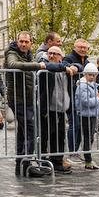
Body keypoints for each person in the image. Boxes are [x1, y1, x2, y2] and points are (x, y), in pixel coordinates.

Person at [4, 31, 49, 177]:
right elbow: (12, 64)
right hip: (18, 99)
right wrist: (37, 65)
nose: (23, 44)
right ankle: (27, 163)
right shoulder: (11, 52)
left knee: (23, 133)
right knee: (30, 130)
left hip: (28, 98)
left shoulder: (28, 54)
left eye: (26, 42)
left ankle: (22, 165)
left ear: (31, 43)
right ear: (17, 41)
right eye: (21, 41)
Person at [37, 46, 79, 174]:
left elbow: (80, 66)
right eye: (50, 53)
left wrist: (75, 67)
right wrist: (65, 67)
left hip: (61, 108)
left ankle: (57, 161)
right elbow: (50, 66)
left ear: (61, 56)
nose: (51, 56)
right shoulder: (45, 65)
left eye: (55, 54)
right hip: (47, 108)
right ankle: (43, 161)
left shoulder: (65, 66)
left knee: (60, 136)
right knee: (45, 136)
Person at [62, 39, 90, 158]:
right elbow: (65, 66)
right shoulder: (68, 58)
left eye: (85, 47)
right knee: (75, 124)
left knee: (81, 126)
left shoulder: (87, 61)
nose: (82, 49)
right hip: (71, 95)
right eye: (80, 47)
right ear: (75, 48)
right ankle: (73, 151)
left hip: (83, 97)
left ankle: (77, 150)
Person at [73, 64, 99, 170]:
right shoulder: (82, 86)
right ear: (85, 74)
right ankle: (88, 160)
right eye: (90, 75)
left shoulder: (92, 85)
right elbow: (86, 101)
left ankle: (88, 158)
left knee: (90, 137)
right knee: (88, 137)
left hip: (92, 114)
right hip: (85, 115)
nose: (92, 77)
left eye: (94, 75)